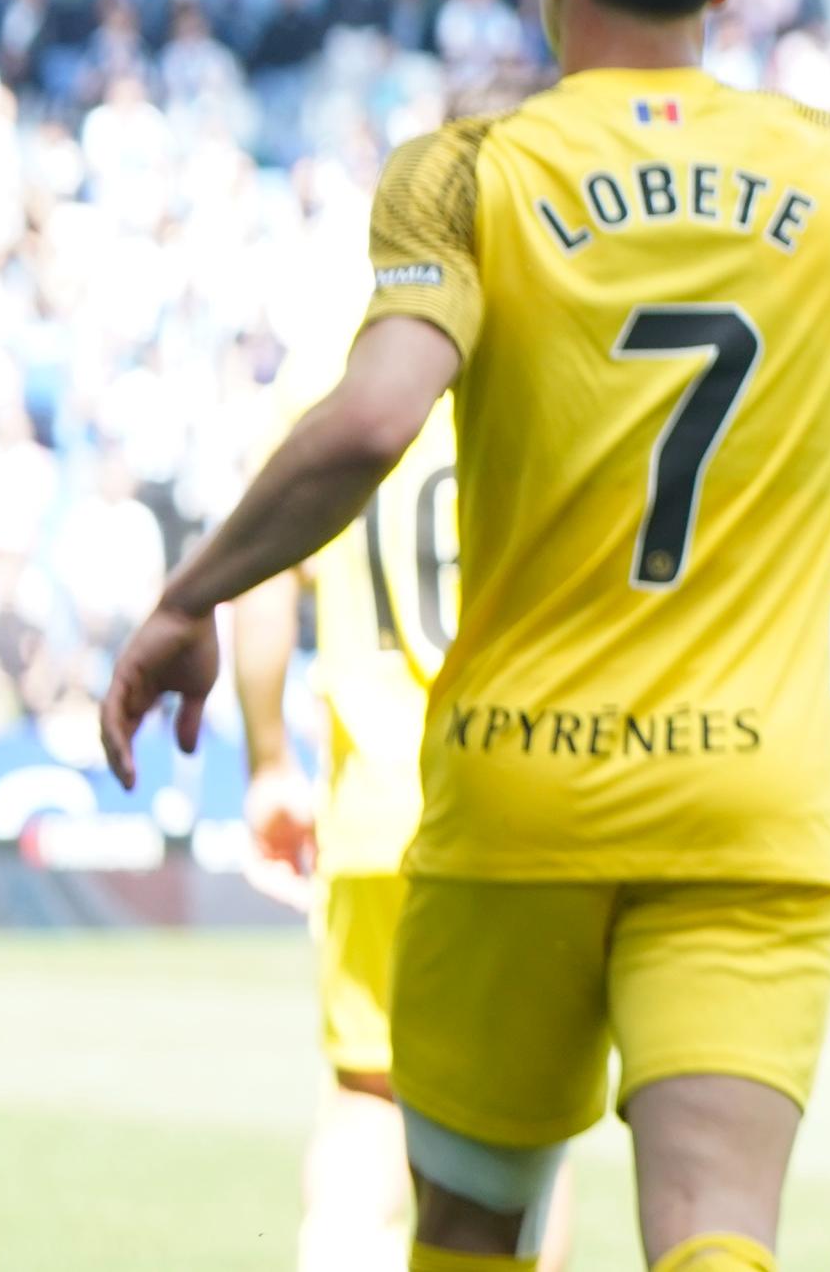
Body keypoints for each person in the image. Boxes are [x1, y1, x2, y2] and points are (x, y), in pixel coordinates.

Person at [101, 0, 830, 1272]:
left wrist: (191, 595)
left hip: (516, 798)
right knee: (717, 1237)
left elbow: (375, 420)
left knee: (469, 1233)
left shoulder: (469, 175)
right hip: (746, 807)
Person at [227, 334, 579, 1272]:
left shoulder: (334, 365)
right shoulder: (553, 337)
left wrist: (269, 761)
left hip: (376, 811)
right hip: (522, 809)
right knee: (530, 1127)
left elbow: (259, 575)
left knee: (365, 1102)